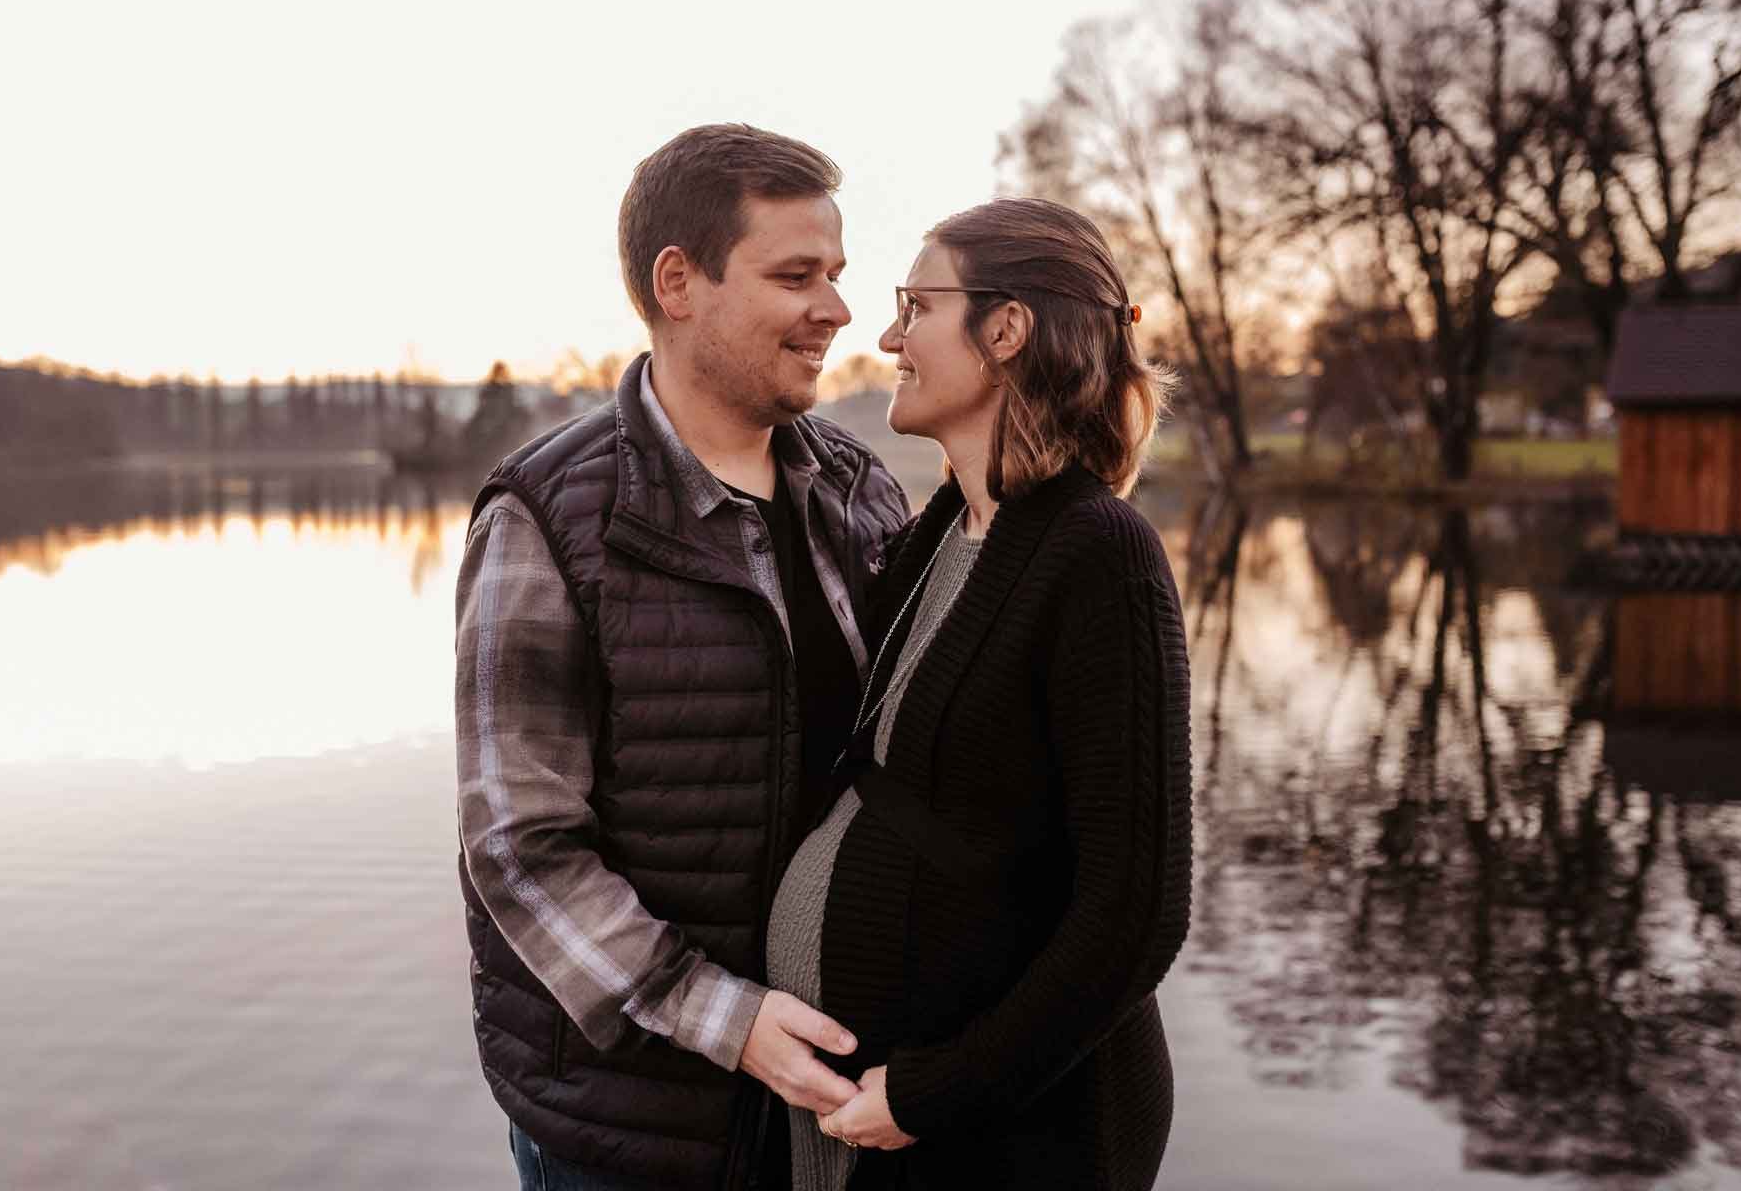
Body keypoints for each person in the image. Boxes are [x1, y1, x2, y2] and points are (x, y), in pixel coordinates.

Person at [454, 123, 910, 1191]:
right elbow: (520, 852)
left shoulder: (861, 489)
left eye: (836, 275)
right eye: (795, 275)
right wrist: (731, 1021)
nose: (837, 310)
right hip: (632, 1129)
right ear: (679, 282)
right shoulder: (546, 520)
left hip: (841, 1110)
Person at [763, 197, 1193, 1191]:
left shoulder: (1099, 557)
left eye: (916, 306)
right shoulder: (943, 533)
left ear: (1005, 329)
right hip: (869, 1119)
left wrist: (935, 1092)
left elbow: (1135, 913)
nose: (888, 337)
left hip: (1001, 1139)